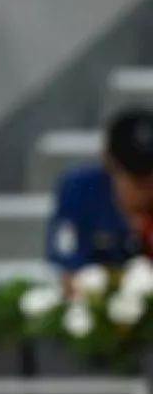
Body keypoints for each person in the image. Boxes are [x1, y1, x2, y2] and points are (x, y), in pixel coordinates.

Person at [47, 107, 153, 285]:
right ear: (110, 164)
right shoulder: (80, 191)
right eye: (136, 179)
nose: (146, 189)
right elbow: (70, 273)